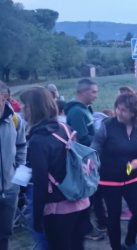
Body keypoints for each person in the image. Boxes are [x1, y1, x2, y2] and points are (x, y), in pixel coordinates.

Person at [21, 87, 89, 250]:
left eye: (25, 106)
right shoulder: (66, 128)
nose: (22, 109)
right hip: (80, 202)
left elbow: (41, 182)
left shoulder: (38, 140)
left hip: (58, 210)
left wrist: (36, 219)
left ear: (33, 108)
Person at [91, 93, 137, 250]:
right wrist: (90, 163)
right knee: (114, 216)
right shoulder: (107, 125)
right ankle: (116, 247)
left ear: (134, 112)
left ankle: (130, 241)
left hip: (132, 178)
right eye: (118, 108)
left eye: (124, 110)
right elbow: (94, 149)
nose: (119, 112)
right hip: (109, 179)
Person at [64, 78, 104, 239]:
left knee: (93, 192)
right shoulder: (76, 112)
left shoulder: (84, 109)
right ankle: (86, 228)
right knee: (87, 192)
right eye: (93, 91)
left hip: (89, 157)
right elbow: (82, 138)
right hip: (83, 159)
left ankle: (99, 222)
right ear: (83, 92)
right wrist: (102, 139)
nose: (96, 95)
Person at [0, 81, 26, 250]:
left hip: (10, 189)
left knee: (5, 234)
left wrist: (19, 180)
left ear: (5, 97)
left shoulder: (15, 120)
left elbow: (22, 147)